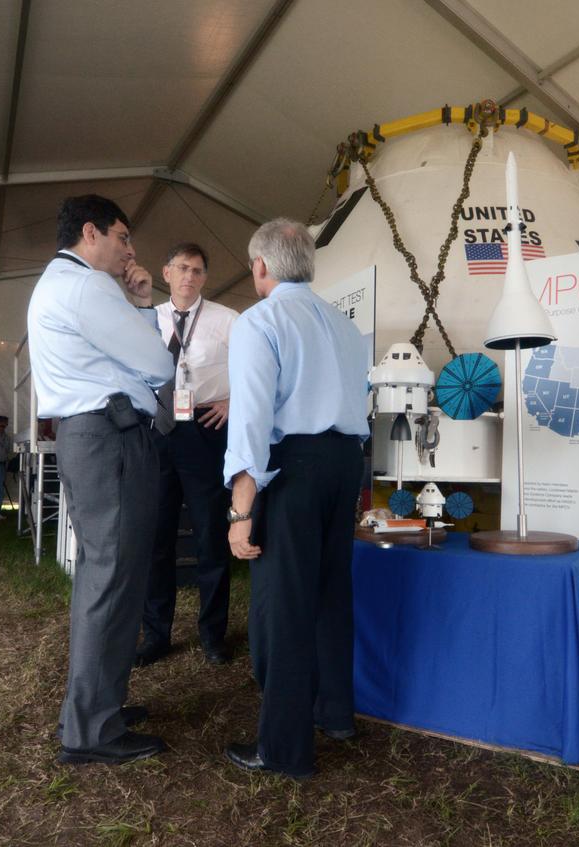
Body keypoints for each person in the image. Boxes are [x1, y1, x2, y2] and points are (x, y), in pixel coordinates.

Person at [27, 194, 175, 765]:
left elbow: (132, 358)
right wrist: (139, 311)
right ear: (91, 233)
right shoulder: (87, 286)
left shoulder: (61, 284)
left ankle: (95, 707)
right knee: (112, 580)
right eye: (123, 237)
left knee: (104, 576)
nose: (129, 250)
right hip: (111, 439)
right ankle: (92, 730)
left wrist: (139, 305)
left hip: (93, 437)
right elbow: (160, 367)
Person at [222, 218, 370, 778]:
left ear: (260, 267)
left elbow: (252, 424)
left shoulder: (260, 322)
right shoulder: (344, 325)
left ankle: (283, 748)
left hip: (297, 467)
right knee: (332, 590)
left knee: (283, 605)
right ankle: (335, 714)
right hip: (345, 462)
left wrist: (241, 511)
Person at [137, 243, 239, 668]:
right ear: (166, 271)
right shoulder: (147, 319)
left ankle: (212, 634)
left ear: (204, 277)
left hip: (204, 429)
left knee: (210, 535)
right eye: (182, 268)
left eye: (198, 270)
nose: (189, 277)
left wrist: (235, 401)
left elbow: (255, 368)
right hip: (158, 430)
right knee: (157, 537)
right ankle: (156, 633)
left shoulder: (226, 319)